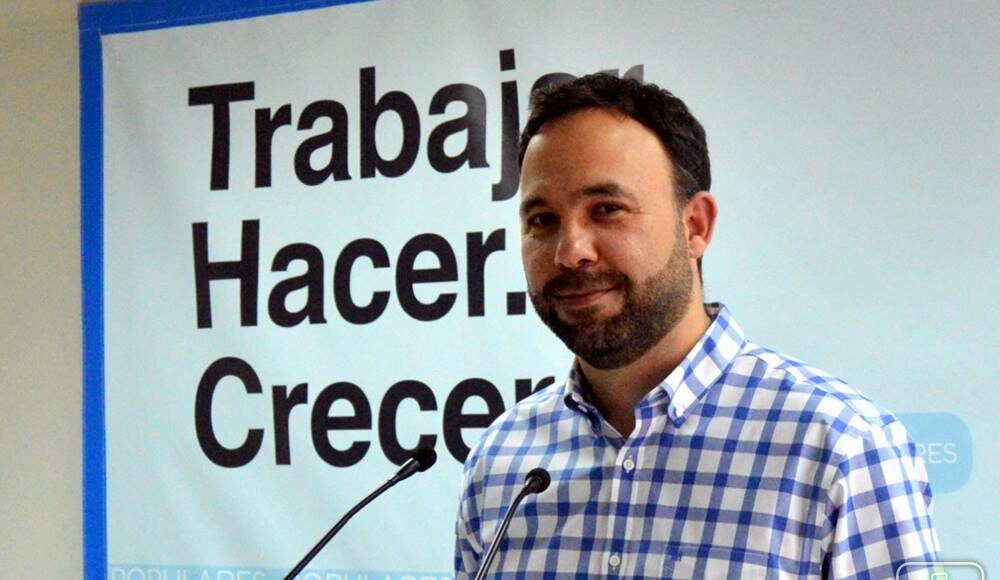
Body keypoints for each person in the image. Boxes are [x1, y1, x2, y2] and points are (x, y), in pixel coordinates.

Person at [453, 74, 940, 579]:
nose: (570, 250)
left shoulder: (843, 450)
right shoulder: (500, 461)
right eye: (542, 219)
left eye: (607, 209)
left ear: (696, 227)